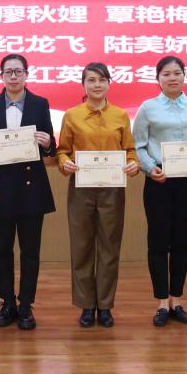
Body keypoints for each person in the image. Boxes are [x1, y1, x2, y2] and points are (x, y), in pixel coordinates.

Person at [133, 56, 187, 327]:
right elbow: (138, 146)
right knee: (158, 242)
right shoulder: (148, 107)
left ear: (184, 76)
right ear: (158, 78)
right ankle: (160, 302)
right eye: (166, 74)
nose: (172, 78)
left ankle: (176, 299)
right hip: (159, 179)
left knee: (182, 242)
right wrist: (149, 169)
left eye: (177, 73)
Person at [0, 54, 56, 331]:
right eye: (8, 71)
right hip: (0, 187)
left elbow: (50, 144)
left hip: (31, 187)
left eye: (18, 71)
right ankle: (7, 302)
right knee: (2, 250)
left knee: (30, 251)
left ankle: (26, 305)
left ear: (26, 74)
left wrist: (47, 142)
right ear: (1, 75)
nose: (13, 76)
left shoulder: (40, 103)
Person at [57, 63, 139, 328]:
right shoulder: (72, 115)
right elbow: (62, 151)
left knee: (109, 246)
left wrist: (133, 164)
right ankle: (86, 305)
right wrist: (65, 163)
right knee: (81, 247)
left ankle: (105, 305)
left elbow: (130, 150)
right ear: (83, 84)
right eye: (91, 80)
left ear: (109, 83)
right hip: (81, 188)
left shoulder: (120, 115)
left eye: (102, 80)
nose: (97, 85)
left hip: (112, 189)